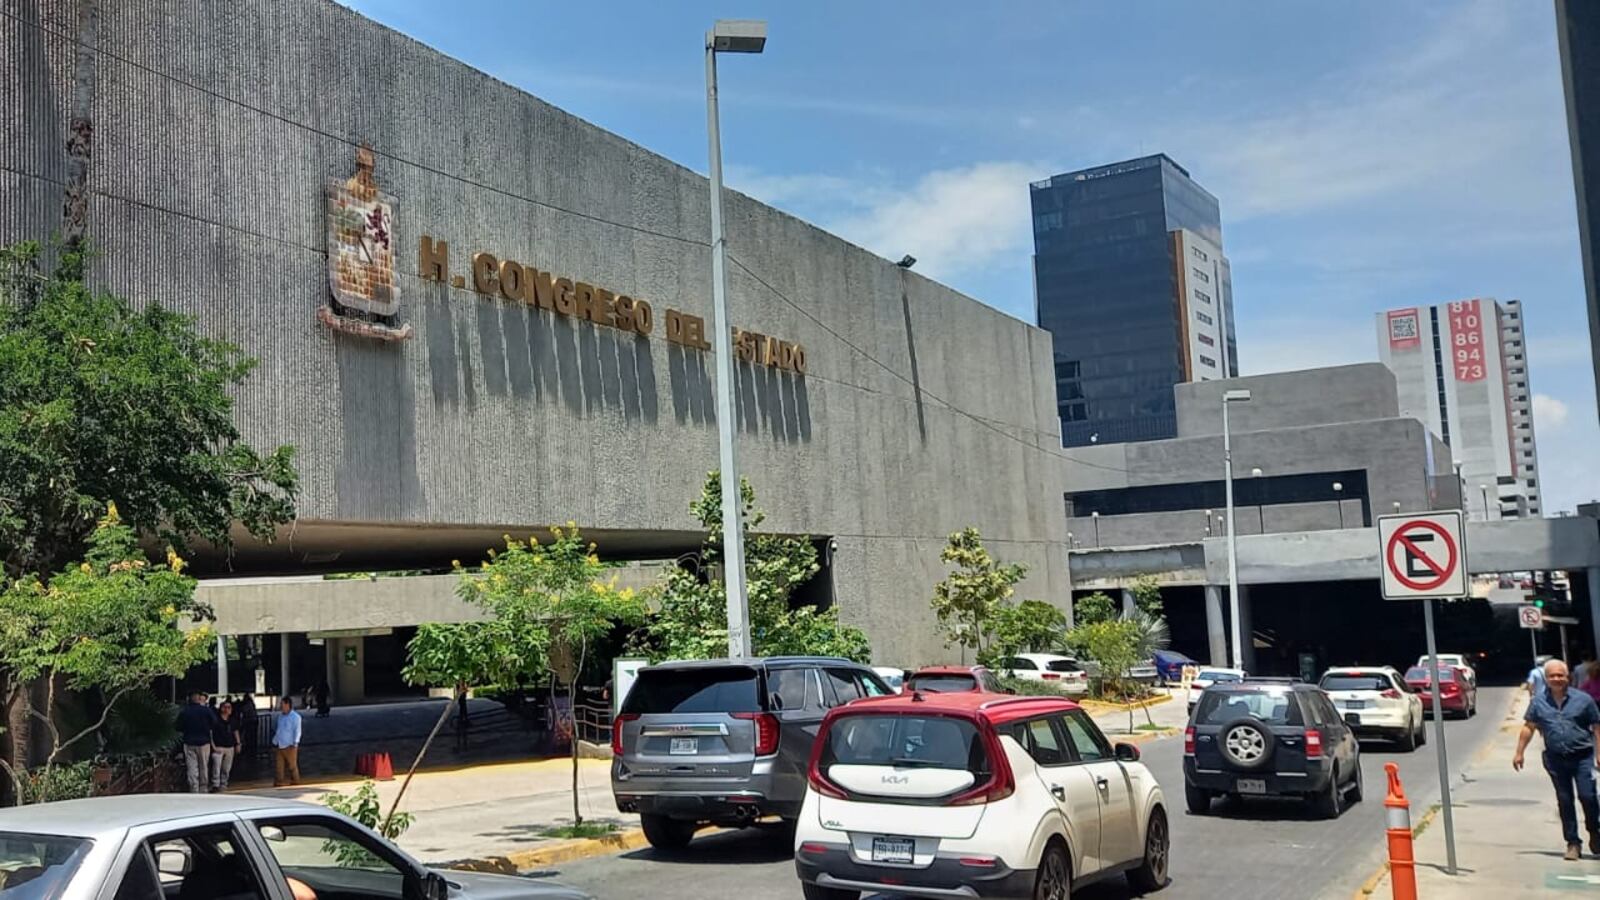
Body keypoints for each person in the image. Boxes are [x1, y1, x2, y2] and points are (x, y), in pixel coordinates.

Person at [1514, 658, 1600, 860]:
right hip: (1555, 758)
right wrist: (1519, 752)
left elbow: (1597, 726)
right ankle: (1572, 843)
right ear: (1546, 678)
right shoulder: (1538, 702)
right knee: (1564, 799)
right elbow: (1529, 727)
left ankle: (1595, 831)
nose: (1556, 679)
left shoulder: (1583, 700)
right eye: (1552, 676)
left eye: (1560, 675)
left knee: (1588, 796)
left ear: (1567, 677)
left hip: (1582, 757)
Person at [175, 691, 218, 793]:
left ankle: (193, 789)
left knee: (192, 768)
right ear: (199, 699)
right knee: (203, 767)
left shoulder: (185, 712)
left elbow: (178, 726)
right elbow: (215, 723)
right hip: (204, 742)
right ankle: (203, 789)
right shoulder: (206, 711)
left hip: (189, 742)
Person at [209, 699, 242, 792]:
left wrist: (238, 744)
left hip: (230, 747)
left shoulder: (233, 720)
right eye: (226, 707)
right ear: (221, 708)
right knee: (216, 767)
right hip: (218, 747)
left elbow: (236, 731)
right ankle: (215, 784)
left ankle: (224, 784)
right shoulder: (216, 720)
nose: (228, 709)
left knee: (226, 768)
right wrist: (213, 746)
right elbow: (210, 733)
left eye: (229, 707)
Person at [272, 696, 303, 787]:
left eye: (282, 704)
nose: (281, 706)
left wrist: (295, 743)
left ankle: (295, 781)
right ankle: (279, 782)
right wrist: (274, 742)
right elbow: (279, 730)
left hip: (290, 745)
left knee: (292, 766)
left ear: (287, 705)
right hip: (280, 744)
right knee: (279, 766)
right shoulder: (280, 717)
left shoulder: (296, 717)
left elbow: (297, 731)